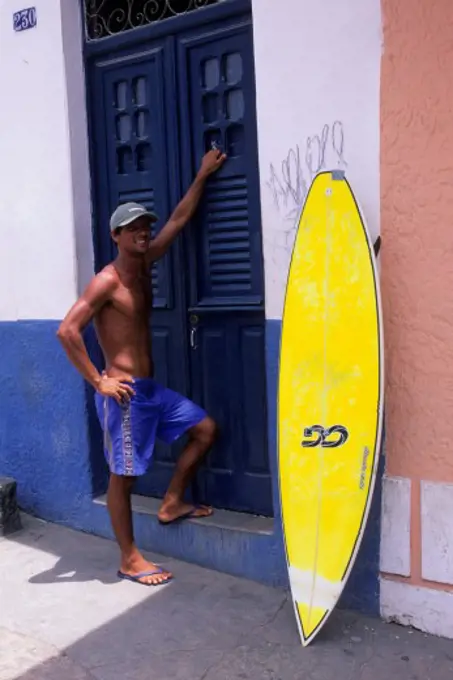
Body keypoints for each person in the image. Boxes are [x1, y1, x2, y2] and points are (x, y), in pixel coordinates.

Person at [57, 148, 227, 586]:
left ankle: (172, 501)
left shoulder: (145, 265)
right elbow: (67, 331)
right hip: (126, 395)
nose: (143, 232)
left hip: (151, 391)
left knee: (205, 430)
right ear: (116, 234)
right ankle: (129, 559)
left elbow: (178, 221)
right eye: (133, 228)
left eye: (144, 226)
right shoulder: (106, 281)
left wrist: (202, 173)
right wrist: (99, 382)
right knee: (123, 478)